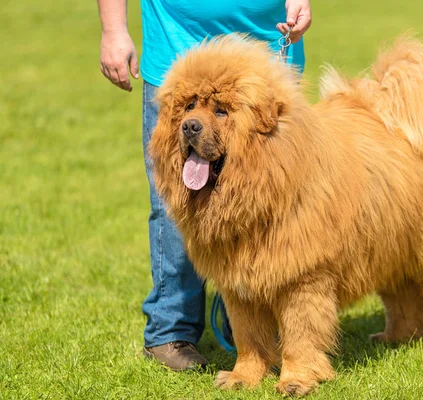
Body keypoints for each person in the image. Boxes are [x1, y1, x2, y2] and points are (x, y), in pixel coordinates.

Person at [97, 0, 312, 371]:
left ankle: (258, 323)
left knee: (275, 204)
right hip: (177, 57)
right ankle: (171, 330)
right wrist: (113, 29)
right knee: (178, 204)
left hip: (264, 66)